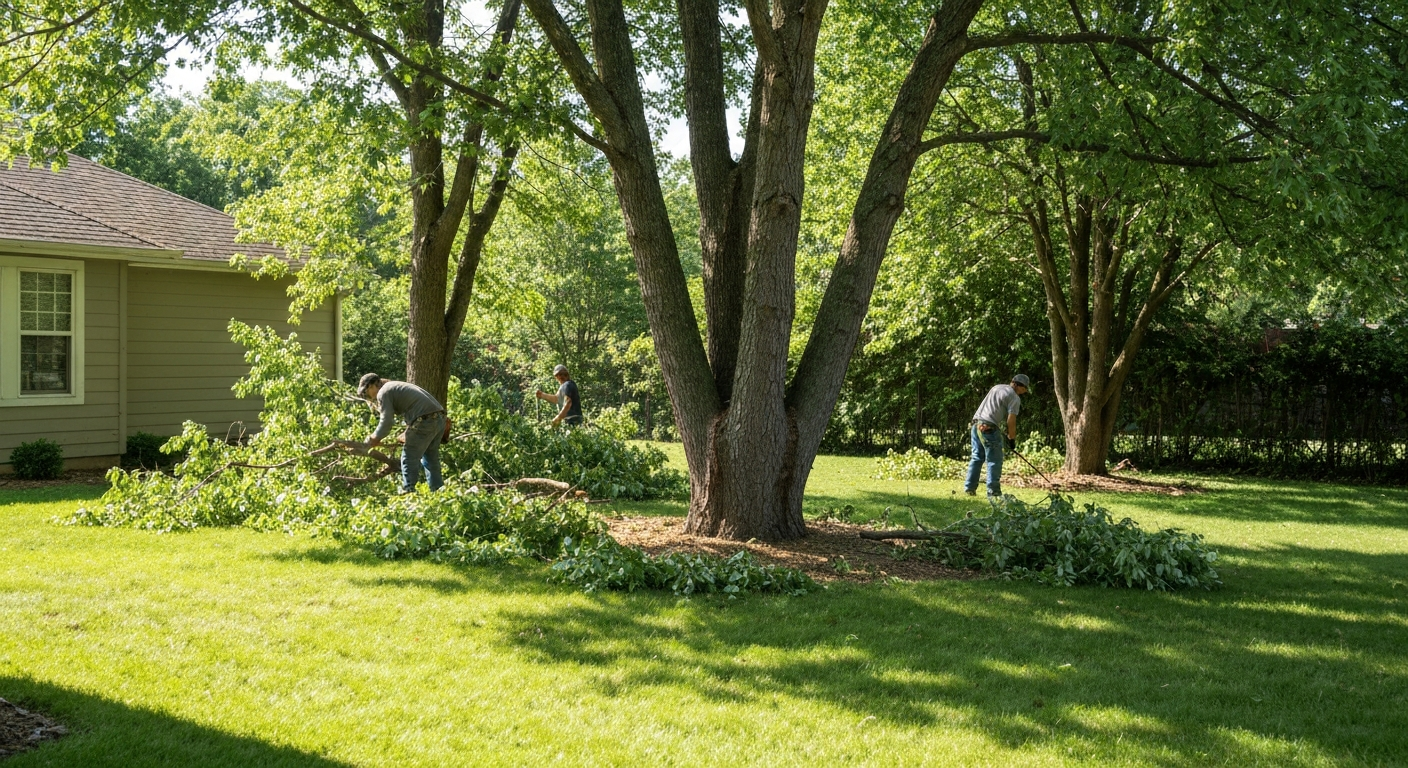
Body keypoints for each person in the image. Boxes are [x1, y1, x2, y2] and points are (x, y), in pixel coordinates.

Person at [357, 373, 446, 493]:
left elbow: (386, 422)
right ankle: (438, 491)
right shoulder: (393, 386)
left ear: (372, 385)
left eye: (366, 391)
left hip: (425, 419)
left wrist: (373, 438)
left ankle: (409, 492)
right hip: (439, 418)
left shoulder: (384, 392)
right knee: (430, 457)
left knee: (408, 456)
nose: (367, 396)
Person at [964, 373, 1031, 498]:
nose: (1025, 391)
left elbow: (992, 409)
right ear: (1018, 385)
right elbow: (1011, 420)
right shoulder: (1014, 397)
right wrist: (1012, 439)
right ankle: (993, 491)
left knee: (977, 457)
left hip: (975, 424)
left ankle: (969, 488)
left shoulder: (997, 387)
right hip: (988, 428)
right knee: (994, 460)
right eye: (1025, 388)